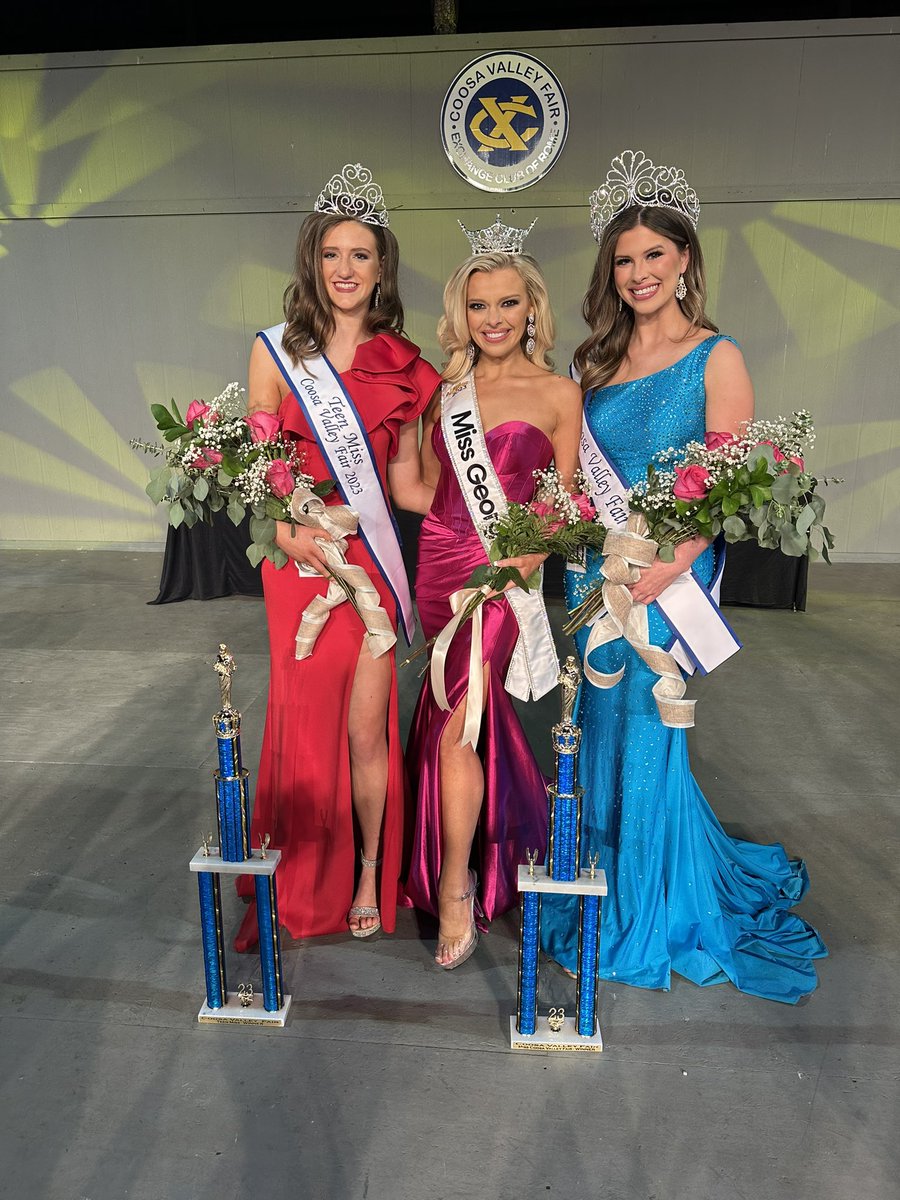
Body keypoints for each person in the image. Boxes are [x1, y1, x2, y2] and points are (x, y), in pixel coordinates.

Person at [540, 150, 827, 1002]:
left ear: (685, 261)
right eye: (624, 260)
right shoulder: (591, 363)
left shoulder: (717, 357)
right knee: (592, 721)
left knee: (647, 727)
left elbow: (726, 487)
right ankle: (596, 881)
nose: (638, 273)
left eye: (654, 257)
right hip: (598, 570)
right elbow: (569, 473)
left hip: (668, 577)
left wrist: (671, 569)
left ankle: (650, 905)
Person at [235, 164, 440, 946]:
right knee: (305, 720)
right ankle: (300, 869)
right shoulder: (271, 352)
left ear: (381, 266)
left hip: (368, 565)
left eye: (361, 254)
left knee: (363, 730)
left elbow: (408, 487)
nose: (346, 269)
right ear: (311, 263)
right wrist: (286, 535)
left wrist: (511, 507)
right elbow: (254, 471)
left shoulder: (408, 366)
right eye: (331, 254)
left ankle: (365, 873)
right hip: (294, 560)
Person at [404, 231, 582, 969]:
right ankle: (496, 842)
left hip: (503, 577)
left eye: (508, 302)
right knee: (463, 717)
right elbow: (418, 488)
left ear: (532, 308)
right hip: (441, 565)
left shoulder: (558, 394)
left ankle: (453, 887)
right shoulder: (444, 392)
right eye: (479, 305)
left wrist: (517, 564)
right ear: (462, 313)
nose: (494, 318)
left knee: (459, 725)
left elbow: (563, 504)